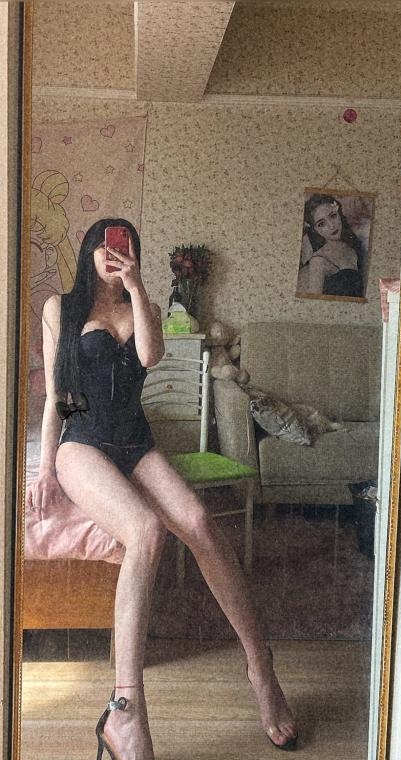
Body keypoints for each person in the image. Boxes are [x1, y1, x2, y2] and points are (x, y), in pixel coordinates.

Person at [26, 218, 298, 760]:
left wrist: (135, 287)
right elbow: (57, 396)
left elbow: (150, 357)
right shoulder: (60, 308)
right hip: (82, 442)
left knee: (198, 521)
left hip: (137, 441)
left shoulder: (142, 306)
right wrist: (46, 468)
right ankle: (126, 708)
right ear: (89, 251)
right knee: (146, 530)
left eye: (124, 246)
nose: (114, 254)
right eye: (106, 245)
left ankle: (260, 664)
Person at [297, 193, 365, 297]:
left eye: (333, 216)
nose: (331, 226)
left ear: (339, 214)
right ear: (316, 230)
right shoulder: (318, 261)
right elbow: (313, 302)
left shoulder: (353, 244)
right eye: (321, 224)